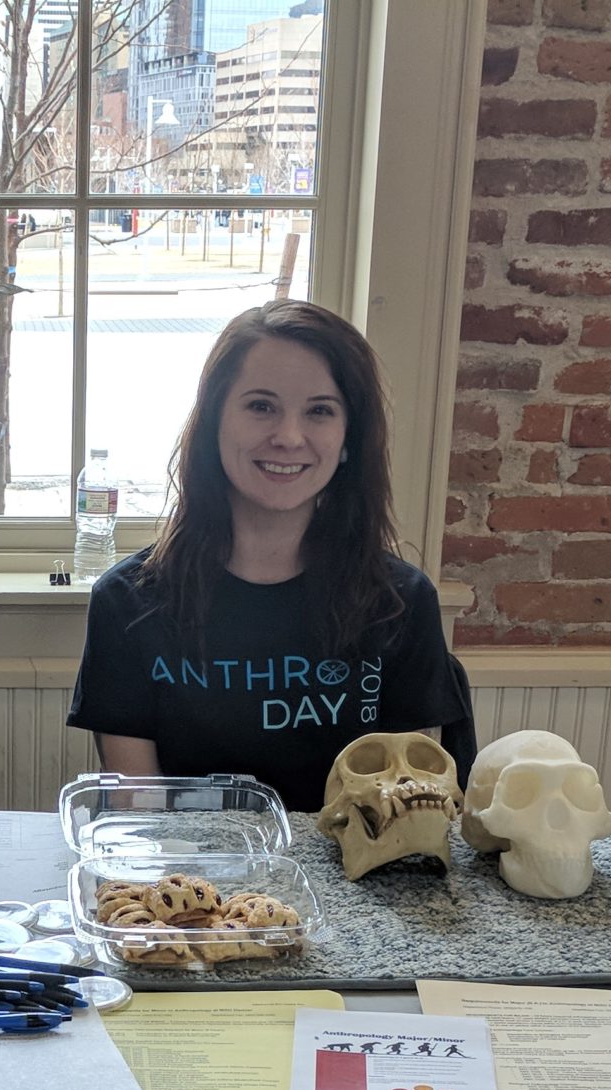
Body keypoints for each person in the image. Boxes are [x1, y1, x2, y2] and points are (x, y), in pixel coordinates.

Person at [67, 299, 473, 812]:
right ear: (215, 422)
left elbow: (403, 815)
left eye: (320, 411)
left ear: (349, 438)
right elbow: (138, 813)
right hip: (196, 881)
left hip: (352, 883)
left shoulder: (402, 603)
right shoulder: (125, 604)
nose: (288, 436)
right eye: (261, 406)